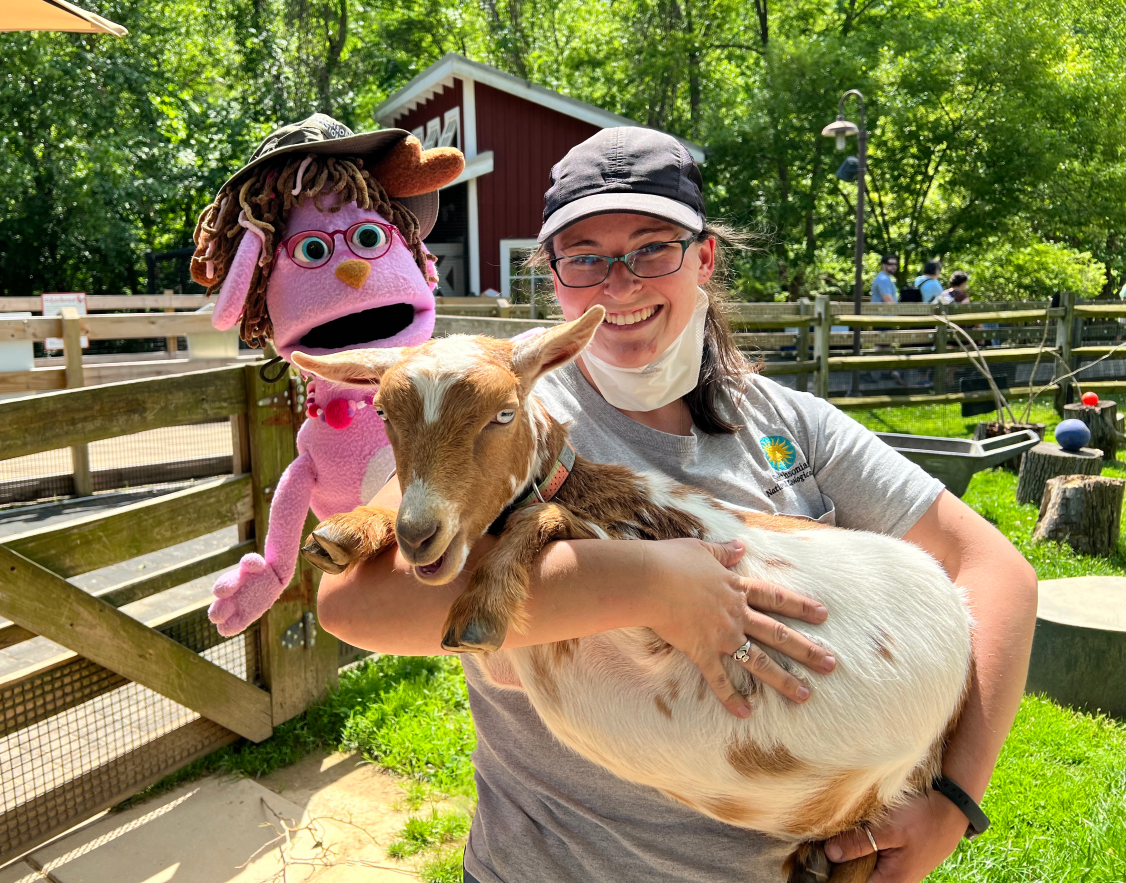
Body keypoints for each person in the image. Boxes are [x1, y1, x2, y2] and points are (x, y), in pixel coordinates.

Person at [317, 127, 1036, 883]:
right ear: (554, 274)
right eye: (584, 255)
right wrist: (655, 584)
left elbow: (996, 569)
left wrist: (954, 800)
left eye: (652, 248)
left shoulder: (788, 421)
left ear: (704, 257)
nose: (618, 284)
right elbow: (359, 604)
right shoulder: (504, 398)